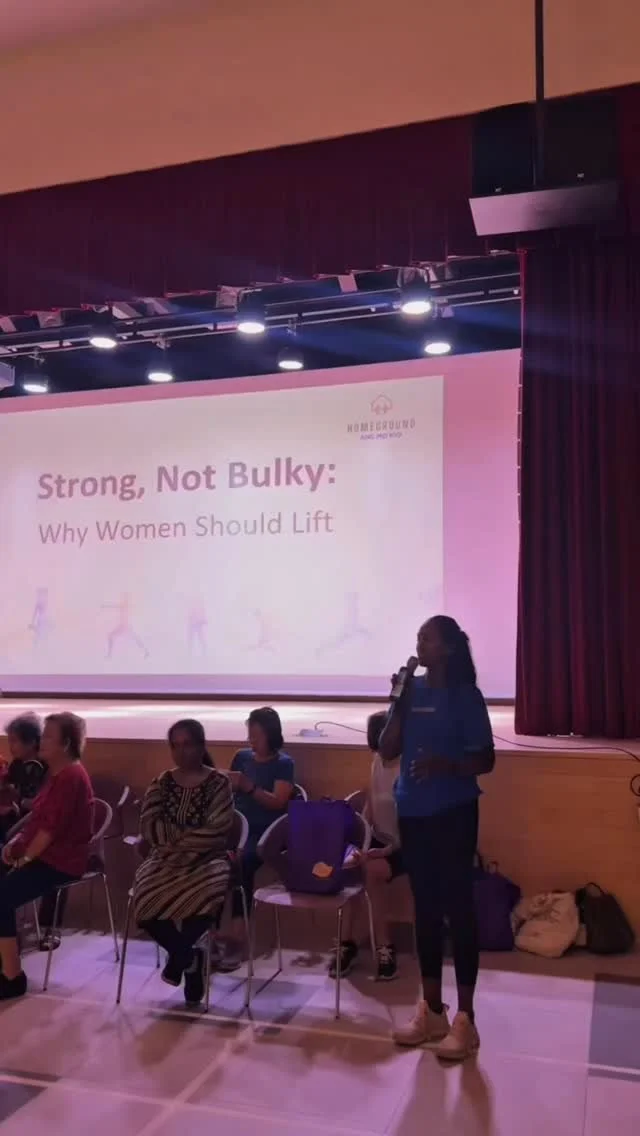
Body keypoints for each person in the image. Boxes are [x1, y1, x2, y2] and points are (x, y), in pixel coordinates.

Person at [379, 616, 495, 1061]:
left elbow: (486, 759)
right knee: (424, 910)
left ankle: (466, 1018)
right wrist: (399, 701)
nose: (419, 644)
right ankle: (431, 1011)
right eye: (418, 638)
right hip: (413, 812)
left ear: (446, 648)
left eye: (426, 638)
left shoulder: (466, 696)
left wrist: (448, 766)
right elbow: (387, 749)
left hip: (454, 812)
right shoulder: (412, 691)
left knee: (458, 910)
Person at [133, 719, 233, 1006]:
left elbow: (217, 830)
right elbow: (149, 827)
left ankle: (181, 961)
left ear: (201, 746)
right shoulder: (161, 783)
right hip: (164, 860)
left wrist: (175, 838)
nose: (181, 751)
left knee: (206, 893)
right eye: (175, 745)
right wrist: (182, 839)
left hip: (207, 859)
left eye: (187, 744)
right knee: (144, 900)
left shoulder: (219, 783)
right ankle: (188, 957)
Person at [0, 712, 94, 1001]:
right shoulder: (56, 774)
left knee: (2, 897)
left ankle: (13, 976)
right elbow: (36, 821)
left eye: (49, 736)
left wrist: (22, 860)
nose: (42, 740)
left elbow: (49, 832)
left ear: (66, 744)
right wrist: (15, 844)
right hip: (43, 856)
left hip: (60, 862)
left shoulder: (70, 777)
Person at [328, 710, 404, 981]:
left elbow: (413, 824)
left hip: (406, 845)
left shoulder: (409, 767)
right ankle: (347, 943)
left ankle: (385, 947)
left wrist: (383, 851)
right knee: (349, 864)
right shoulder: (377, 762)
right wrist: (363, 841)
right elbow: (371, 805)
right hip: (380, 840)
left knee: (372, 871)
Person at [220, 707, 294, 971]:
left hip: (265, 831)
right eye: (249, 735)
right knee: (213, 859)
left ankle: (236, 939)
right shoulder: (241, 757)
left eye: (256, 736)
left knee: (241, 863)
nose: (251, 741)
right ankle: (209, 934)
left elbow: (278, 802)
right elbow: (228, 792)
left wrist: (248, 786)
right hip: (236, 826)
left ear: (270, 735)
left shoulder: (283, 763)